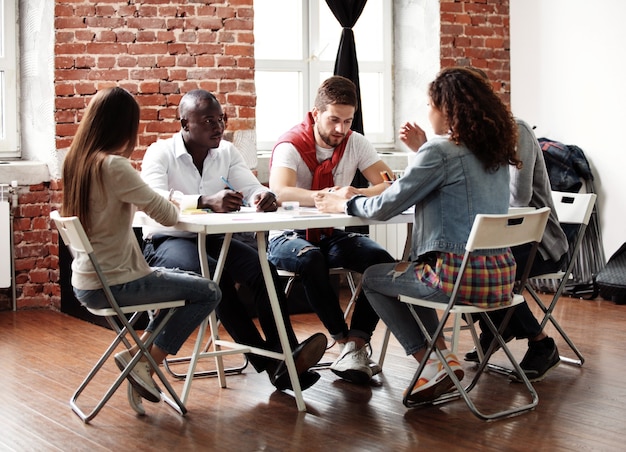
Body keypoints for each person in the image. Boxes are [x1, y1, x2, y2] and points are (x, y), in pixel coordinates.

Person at [314, 67, 520, 404]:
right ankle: (440, 361)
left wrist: (347, 201)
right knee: (409, 273)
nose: (427, 112)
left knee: (374, 277)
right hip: (500, 280)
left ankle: (432, 361)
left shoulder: (440, 151)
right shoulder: (494, 152)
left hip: (456, 279)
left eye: (430, 105)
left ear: (447, 109)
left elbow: (384, 206)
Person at [140, 89, 327, 392]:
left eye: (221, 119)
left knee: (262, 269)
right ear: (185, 124)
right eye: (208, 120)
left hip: (213, 240)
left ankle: (288, 352)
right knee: (215, 282)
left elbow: (251, 186)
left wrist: (263, 196)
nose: (218, 126)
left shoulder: (226, 152)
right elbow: (153, 200)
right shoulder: (160, 152)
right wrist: (203, 201)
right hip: (167, 240)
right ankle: (274, 364)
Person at [61, 86, 222, 415]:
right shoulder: (113, 166)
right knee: (208, 291)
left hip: (86, 282)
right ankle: (144, 362)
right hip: (118, 283)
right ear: (125, 127)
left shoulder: (75, 162)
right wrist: (174, 198)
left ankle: (139, 358)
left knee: (178, 286)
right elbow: (166, 214)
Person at [400, 84, 565, 383]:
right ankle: (496, 328)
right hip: (493, 236)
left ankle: (540, 342)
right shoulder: (468, 141)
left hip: (536, 239)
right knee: (459, 255)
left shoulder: (516, 130)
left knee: (474, 263)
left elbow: (519, 198)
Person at [267, 75, 397, 384]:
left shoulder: (356, 142)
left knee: (382, 261)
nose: (341, 129)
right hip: (288, 236)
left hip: (330, 232)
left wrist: (354, 193)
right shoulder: (291, 144)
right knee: (312, 259)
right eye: (334, 120)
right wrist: (324, 198)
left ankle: (358, 343)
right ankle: (342, 342)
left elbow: (389, 184)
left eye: (348, 121)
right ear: (315, 115)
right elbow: (280, 190)